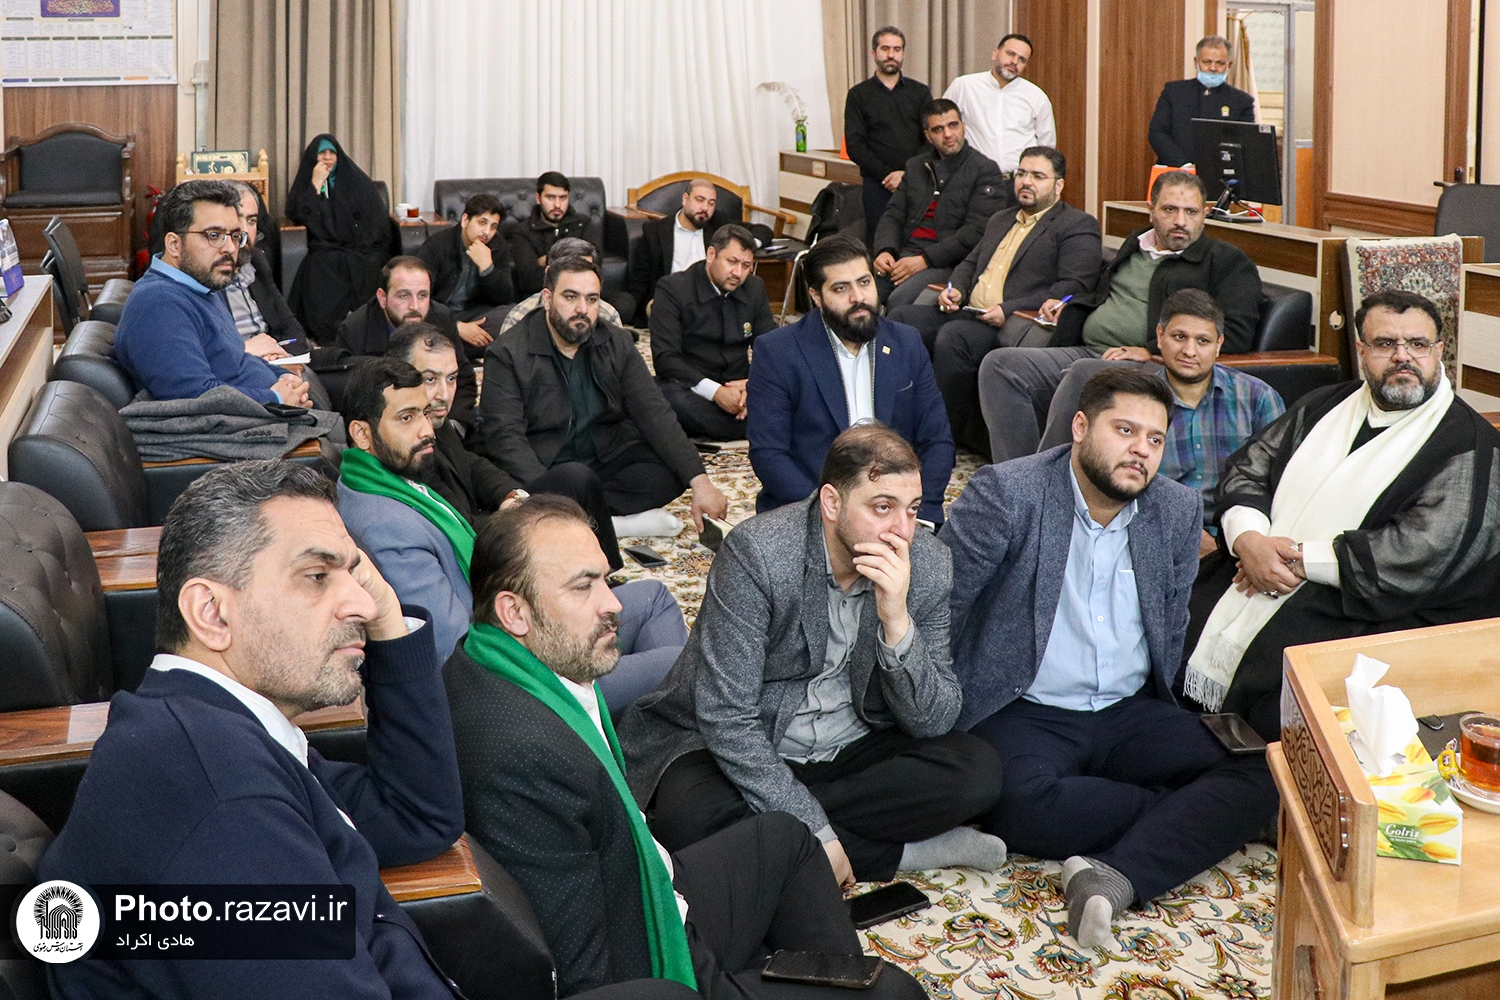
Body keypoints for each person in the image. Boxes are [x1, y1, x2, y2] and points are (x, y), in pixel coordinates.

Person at [444, 494, 927, 999]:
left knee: (787, 839)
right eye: (583, 586)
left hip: (646, 887)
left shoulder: (491, 663)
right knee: (893, 991)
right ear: (514, 612)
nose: (613, 604)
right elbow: (584, 976)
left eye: (606, 580)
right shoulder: (524, 754)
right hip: (654, 961)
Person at [36, 460, 468, 998]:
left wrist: (388, 623)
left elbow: (415, 815)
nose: (363, 602)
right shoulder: (216, 792)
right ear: (212, 614)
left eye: (353, 575)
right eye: (317, 576)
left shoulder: (217, 728)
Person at [942, 367, 1278, 950]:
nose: (1140, 450)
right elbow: (942, 606)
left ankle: (1114, 876)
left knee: (1263, 768)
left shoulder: (1174, 509)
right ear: (1079, 426)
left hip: (1128, 709)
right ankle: (1195, 816)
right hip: (1027, 707)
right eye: (1124, 430)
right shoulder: (1008, 493)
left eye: (1154, 439)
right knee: (1015, 803)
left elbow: (1171, 619)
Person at [619, 425, 1005, 886]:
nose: (902, 532)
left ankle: (781, 832)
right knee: (689, 818)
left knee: (978, 773)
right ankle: (897, 852)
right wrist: (816, 829)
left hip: (851, 741)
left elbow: (934, 720)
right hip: (750, 736)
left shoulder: (927, 563)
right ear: (832, 502)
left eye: (912, 509)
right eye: (882, 507)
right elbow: (727, 716)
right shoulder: (760, 553)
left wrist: (897, 623)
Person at [1186, 290, 1500, 740]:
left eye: (1417, 344)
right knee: (1182, 614)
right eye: (1385, 343)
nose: (1403, 356)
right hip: (1262, 566)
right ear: (1361, 350)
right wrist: (1249, 541)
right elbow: (1249, 469)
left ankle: (1243, 763)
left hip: (1379, 603)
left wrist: (1292, 560)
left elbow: (1426, 549)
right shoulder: (1325, 404)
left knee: (1274, 681)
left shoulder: (1468, 444)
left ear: (1439, 352)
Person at [336, 356, 688, 707]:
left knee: (654, 598)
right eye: (407, 418)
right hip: (517, 683)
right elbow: (454, 654)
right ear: (362, 434)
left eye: (425, 414)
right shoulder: (387, 525)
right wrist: (541, 629)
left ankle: (637, 728)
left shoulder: (381, 482)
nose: (426, 430)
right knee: (681, 665)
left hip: (512, 628)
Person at [976, 170, 1262, 463]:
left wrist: (1152, 350)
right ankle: (1017, 474)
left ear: (1204, 214)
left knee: (1082, 374)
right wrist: (1069, 305)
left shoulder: (1226, 262)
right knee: (1000, 365)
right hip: (1088, 350)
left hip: (1153, 367)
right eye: (1169, 209)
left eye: (1191, 212)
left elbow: (1237, 334)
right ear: (1151, 210)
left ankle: (1045, 479)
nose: (1180, 221)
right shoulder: (1137, 242)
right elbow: (1106, 295)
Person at [480, 256, 729, 539]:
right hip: (546, 467)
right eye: (570, 297)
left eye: (592, 299)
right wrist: (546, 493)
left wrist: (700, 482)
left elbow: (654, 411)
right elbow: (505, 436)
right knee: (520, 489)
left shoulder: (616, 342)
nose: (582, 309)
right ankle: (611, 524)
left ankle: (578, 518)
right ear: (547, 299)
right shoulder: (508, 352)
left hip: (604, 458)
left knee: (672, 471)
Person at [1037, 289, 1285, 557]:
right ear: (1159, 336)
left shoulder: (1258, 398)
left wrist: (1247, 544)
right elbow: (1110, 483)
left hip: (1243, 541)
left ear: (1219, 344)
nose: (1189, 351)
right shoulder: (1133, 404)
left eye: (1203, 340)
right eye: (1179, 337)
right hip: (1150, 537)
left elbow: (1280, 484)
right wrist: (1190, 536)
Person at [888, 146, 1102, 456]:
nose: (1026, 182)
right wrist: (956, 288)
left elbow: (1073, 286)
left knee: (954, 337)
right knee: (901, 320)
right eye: (1021, 173)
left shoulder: (1076, 225)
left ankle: (937, 443)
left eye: (1037, 176)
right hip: (968, 309)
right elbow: (970, 262)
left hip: (1010, 324)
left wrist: (1008, 309)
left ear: (1058, 185)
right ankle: (894, 424)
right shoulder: (1001, 218)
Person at [747, 235, 954, 526]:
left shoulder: (906, 343)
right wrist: (832, 518)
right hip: (814, 511)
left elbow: (937, 440)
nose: (858, 297)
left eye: (864, 282)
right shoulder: (778, 351)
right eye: (841, 288)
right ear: (816, 296)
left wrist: (917, 512)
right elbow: (769, 454)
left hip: (898, 514)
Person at [114, 179, 312, 408]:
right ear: (174, 244)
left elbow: (237, 361)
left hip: (267, 410)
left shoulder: (202, 286)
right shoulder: (159, 303)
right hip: (251, 423)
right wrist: (276, 399)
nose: (230, 248)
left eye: (235, 236)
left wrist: (284, 378)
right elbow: (194, 398)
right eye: (214, 235)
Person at [871, 99, 1006, 309]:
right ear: (928, 136)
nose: (948, 134)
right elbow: (893, 214)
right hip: (903, 254)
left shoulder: (985, 170)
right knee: (859, 296)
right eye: (938, 129)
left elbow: (977, 232)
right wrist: (885, 250)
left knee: (899, 301)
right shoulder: (916, 166)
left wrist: (925, 260)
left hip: (946, 261)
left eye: (953, 125)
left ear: (963, 127)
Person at [649, 224, 776, 440]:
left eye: (746, 266)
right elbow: (666, 359)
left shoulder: (754, 288)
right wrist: (716, 393)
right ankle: (754, 424)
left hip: (740, 388)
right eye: (732, 262)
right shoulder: (673, 288)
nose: (738, 273)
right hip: (693, 387)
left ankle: (743, 422)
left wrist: (752, 385)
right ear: (711, 255)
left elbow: (771, 348)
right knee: (664, 399)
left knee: (794, 390)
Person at [335, 255, 479, 432]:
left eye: (423, 295)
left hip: (441, 425)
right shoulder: (354, 330)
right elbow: (351, 401)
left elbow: (464, 378)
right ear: (382, 298)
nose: (415, 306)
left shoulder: (442, 319)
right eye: (404, 296)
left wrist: (454, 428)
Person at [285, 134, 394, 343]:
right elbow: (299, 214)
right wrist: (316, 184)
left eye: (332, 153)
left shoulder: (355, 180)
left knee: (369, 263)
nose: (327, 157)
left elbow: (374, 220)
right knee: (321, 265)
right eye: (322, 153)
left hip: (360, 248)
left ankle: (367, 328)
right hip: (326, 250)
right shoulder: (306, 183)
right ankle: (329, 332)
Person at [843, 26, 932, 243]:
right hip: (877, 186)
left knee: (917, 242)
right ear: (874, 53)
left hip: (917, 181)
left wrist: (906, 174)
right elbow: (855, 145)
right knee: (882, 243)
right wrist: (888, 176)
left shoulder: (920, 92)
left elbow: (930, 139)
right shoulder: (858, 95)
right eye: (885, 49)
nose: (891, 55)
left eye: (896, 49)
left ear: (903, 54)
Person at [942, 34, 1055, 190]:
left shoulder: (1036, 96)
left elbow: (1047, 146)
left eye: (1022, 59)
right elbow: (941, 124)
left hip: (1019, 184)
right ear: (995, 54)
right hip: (973, 181)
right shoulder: (964, 86)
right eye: (1010, 54)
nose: (1014, 62)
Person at [416, 191, 516, 357]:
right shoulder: (437, 246)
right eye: (482, 223)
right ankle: (459, 345)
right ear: (465, 220)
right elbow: (420, 298)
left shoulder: (498, 245)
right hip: (441, 316)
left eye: (493, 226)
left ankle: (450, 348)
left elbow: (505, 298)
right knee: (420, 329)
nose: (487, 232)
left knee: (515, 316)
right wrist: (456, 326)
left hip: (477, 315)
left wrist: (487, 268)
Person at [223, 181, 310, 359]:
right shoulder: (204, 276)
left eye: (251, 221)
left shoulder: (256, 261)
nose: (245, 231)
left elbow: (292, 329)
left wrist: (281, 357)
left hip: (277, 360)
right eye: (237, 219)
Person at [1149, 35, 1256, 168]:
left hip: (1219, 173)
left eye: (1220, 63)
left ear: (1229, 65)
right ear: (1196, 62)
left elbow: (1244, 144)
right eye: (1207, 62)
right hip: (1176, 171)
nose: (1213, 68)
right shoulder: (1173, 92)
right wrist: (1184, 165)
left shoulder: (1242, 101)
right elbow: (1157, 133)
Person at [628, 178, 720, 324]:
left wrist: (750, 244)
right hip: (671, 302)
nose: (705, 208)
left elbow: (755, 231)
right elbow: (640, 280)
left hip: (709, 302)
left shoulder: (717, 227)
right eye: (700, 200)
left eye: (711, 203)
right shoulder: (655, 232)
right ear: (685, 199)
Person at [499, 237, 623, 333]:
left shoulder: (608, 316)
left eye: (586, 270)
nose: (583, 309)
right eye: (572, 271)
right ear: (549, 273)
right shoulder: (519, 318)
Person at [510, 171, 593, 298]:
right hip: (540, 298)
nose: (557, 205)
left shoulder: (584, 223)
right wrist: (574, 261)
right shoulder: (523, 232)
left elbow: (593, 264)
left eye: (563, 198)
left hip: (583, 294)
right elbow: (529, 281)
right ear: (538, 198)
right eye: (550, 197)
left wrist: (548, 259)